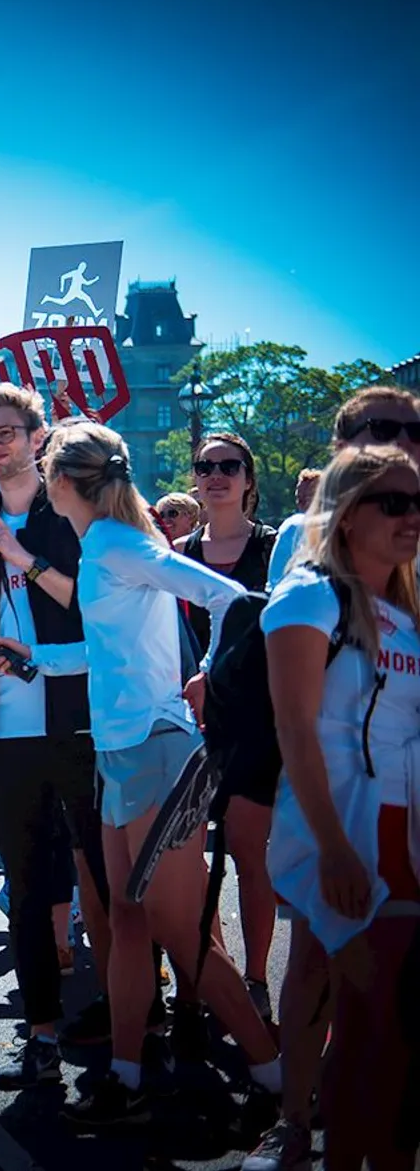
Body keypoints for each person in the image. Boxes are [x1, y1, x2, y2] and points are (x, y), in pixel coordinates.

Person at [0, 420, 283, 1128]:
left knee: (181, 932)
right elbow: (100, 647)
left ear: (61, 482)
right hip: (118, 751)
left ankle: (280, 1077)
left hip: (154, 747)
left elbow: (234, 600)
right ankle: (124, 1075)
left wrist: (206, 672)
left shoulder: (119, 542)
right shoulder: (99, 549)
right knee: (130, 920)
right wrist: (31, 658)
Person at [243, 445, 420, 1171]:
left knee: (392, 1029)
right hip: (340, 829)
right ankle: (299, 1124)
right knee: (362, 1017)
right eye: (395, 503)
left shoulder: (406, 609)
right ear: (347, 515)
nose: (413, 518)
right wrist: (335, 849)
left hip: (404, 833)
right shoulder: (309, 595)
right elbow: (295, 728)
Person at [0, 383, 114, 1090]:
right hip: (8, 728)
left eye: (5, 432)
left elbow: (87, 602)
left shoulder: (67, 514)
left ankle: (129, 1010)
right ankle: (40, 1032)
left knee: (103, 880)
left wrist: (19, 554)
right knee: (25, 881)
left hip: (78, 719)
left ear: (38, 435)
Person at [176, 432, 280, 1020]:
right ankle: (209, 971)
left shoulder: (271, 549)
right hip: (189, 722)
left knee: (246, 852)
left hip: (254, 722)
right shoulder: (180, 550)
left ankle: (257, 979)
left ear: (248, 479)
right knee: (190, 861)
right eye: (206, 466)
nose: (216, 475)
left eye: (229, 466)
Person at [270, 386, 420, 587]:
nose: (403, 441)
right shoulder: (300, 536)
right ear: (342, 448)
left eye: (415, 431)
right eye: (383, 429)